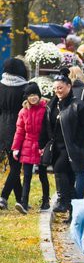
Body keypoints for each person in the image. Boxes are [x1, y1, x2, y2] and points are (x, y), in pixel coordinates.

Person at [39, 75, 84, 220]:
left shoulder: (79, 105)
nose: (58, 91)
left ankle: (64, 201)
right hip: (56, 146)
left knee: (59, 169)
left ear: (69, 86)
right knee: (68, 180)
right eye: (55, 88)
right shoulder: (52, 105)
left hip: (72, 147)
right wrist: (42, 144)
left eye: (60, 88)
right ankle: (73, 211)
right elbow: (46, 125)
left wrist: (76, 142)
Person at [10, 83, 49, 214]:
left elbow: (49, 129)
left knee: (43, 175)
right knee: (26, 176)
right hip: (27, 144)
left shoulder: (45, 109)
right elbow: (19, 131)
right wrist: (16, 148)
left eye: (35, 95)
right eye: (30, 95)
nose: (33, 98)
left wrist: (46, 146)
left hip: (41, 145)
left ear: (39, 95)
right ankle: (24, 203)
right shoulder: (23, 112)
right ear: (26, 97)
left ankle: (45, 201)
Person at [0, 58, 29, 210]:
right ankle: (3, 196)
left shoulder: (0, 86)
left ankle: (20, 199)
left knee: (13, 164)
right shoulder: (25, 88)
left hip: (2, 129)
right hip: (18, 130)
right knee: (17, 166)